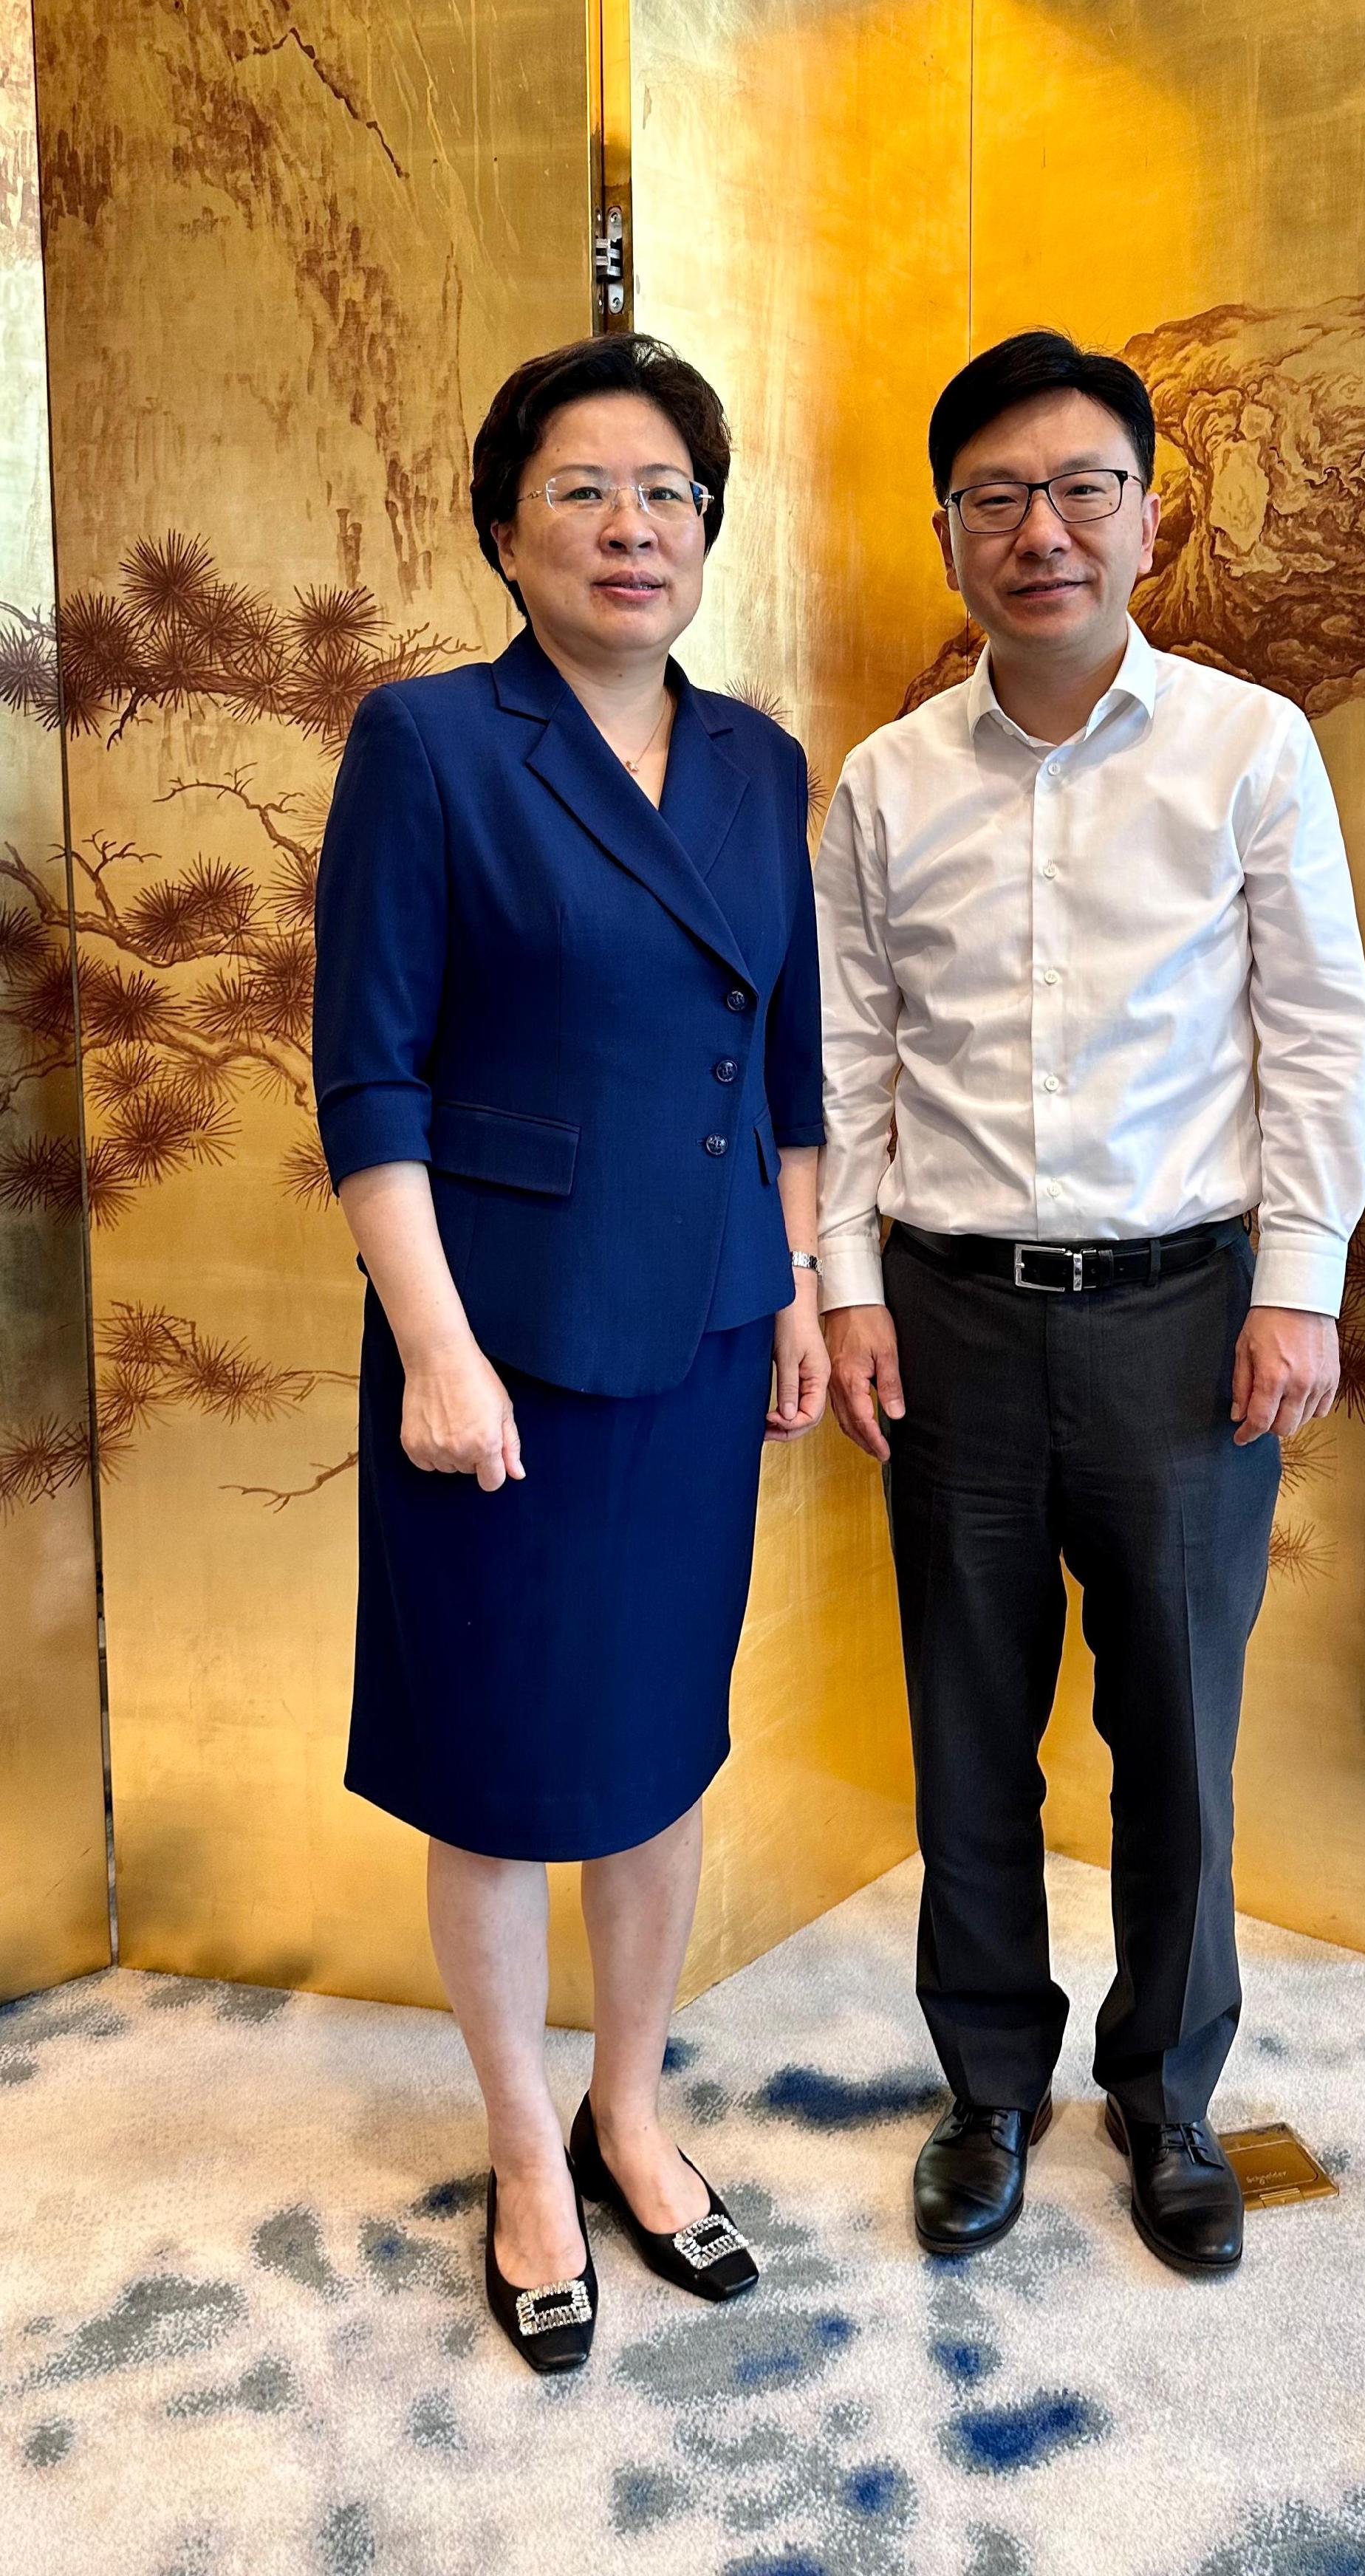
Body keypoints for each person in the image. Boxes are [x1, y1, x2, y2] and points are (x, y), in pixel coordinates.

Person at [814, 329, 1365, 2276]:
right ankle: (986, 2085)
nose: (1037, 531)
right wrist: (849, 1283)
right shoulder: (883, 785)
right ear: (949, 531)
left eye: (1077, 489)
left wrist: (1294, 1290)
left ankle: (1166, 2091)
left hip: (1181, 1316)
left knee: (1176, 1729)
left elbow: (1313, 1035)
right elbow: (849, 1058)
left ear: (1143, 513)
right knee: (967, 1725)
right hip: (949, 1321)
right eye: (993, 497)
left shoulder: (1246, 744)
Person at [312, 335, 829, 2374]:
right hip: (498, 1353)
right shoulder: (431, 743)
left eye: (672, 495)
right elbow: (370, 1081)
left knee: (655, 1754)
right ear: (506, 530)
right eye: (587, 490)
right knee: (505, 1769)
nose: (636, 528)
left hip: (698, 1334)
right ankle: (526, 2145)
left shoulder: (760, 762)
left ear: (709, 530)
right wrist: (437, 1355)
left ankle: (632, 2098)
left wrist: (784, 1282)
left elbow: (788, 1072)